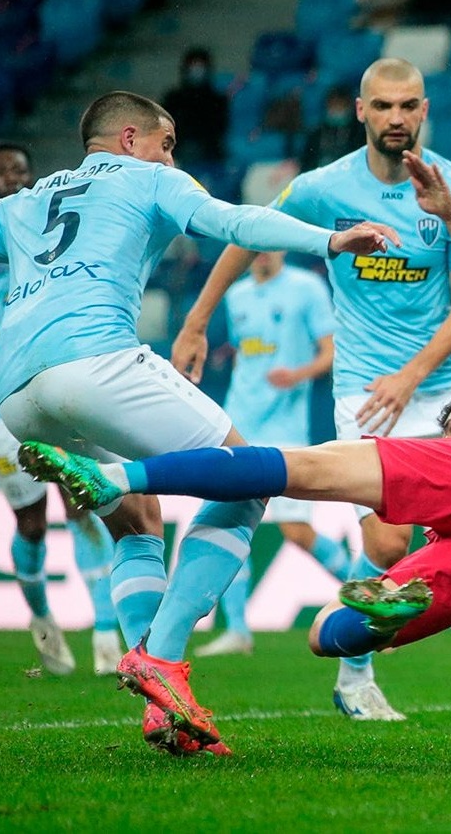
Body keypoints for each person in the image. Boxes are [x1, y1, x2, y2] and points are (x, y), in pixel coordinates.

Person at [19, 149, 451, 705]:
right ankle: (372, 642)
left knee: (298, 470)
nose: (450, 418)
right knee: (331, 631)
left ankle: (114, 478)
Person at [0, 90, 399, 756]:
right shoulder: (151, 176)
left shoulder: (24, 203)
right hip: (93, 360)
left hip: (15, 393)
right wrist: (331, 239)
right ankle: (161, 657)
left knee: (137, 519)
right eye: (168, 143)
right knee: (246, 476)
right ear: (133, 138)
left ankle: (160, 710)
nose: (175, 156)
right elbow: (237, 223)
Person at [170, 58, 451, 722]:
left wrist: (413, 378)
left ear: (424, 110)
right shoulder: (322, 189)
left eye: (409, 106)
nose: (397, 118)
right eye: (384, 106)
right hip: (366, 393)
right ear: (362, 112)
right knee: (388, 550)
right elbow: (246, 233)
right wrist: (197, 318)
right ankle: (353, 677)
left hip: (447, 381)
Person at [0, 142, 120, 677]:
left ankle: (106, 633)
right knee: (32, 524)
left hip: (57, 395)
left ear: (34, 179)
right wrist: (11, 335)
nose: (10, 178)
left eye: (19, 170)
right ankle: (43, 622)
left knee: (84, 503)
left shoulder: (49, 239)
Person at [194, 250, 346, 657]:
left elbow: (331, 351)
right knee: (228, 522)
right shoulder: (237, 293)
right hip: (240, 424)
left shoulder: (306, 288)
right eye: (253, 248)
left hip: (287, 429)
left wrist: (297, 375)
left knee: (296, 533)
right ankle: (238, 629)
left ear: (279, 248)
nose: (261, 254)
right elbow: (246, 351)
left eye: (267, 246)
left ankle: (368, 600)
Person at [160, 47, 229, 169]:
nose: (197, 71)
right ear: (185, 69)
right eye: (193, 67)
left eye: (200, 67)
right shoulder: (173, 98)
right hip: (178, 152)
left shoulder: (218, 100)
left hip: (210, 154)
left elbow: (219, 129)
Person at [299, 87, 363, 172]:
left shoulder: (359, 132)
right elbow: (306, 163)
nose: (337, 109)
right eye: (333, 105)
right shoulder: (316, 133)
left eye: (341, 105)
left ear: (349, 106)